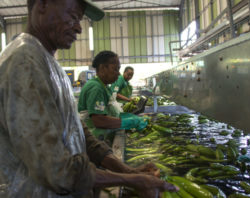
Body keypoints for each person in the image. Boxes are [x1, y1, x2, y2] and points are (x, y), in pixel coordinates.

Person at [0, 0, 178, 197]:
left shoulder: (49, 65)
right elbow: (55, 169)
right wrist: (132, 180)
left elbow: (78, 131)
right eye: (73, 17)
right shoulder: (24, 62)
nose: (78, 28)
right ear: (43, 5)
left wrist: (127, 170)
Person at [78, 51, 147, 144]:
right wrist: (127, 122)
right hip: (94, 141)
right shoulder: (96, 88)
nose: (118, 74)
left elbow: (108, 110)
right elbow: (99, 120)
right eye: (115, 69)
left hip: (101, 137)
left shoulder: (104, 86)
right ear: (102, 68)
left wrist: (125, 117)